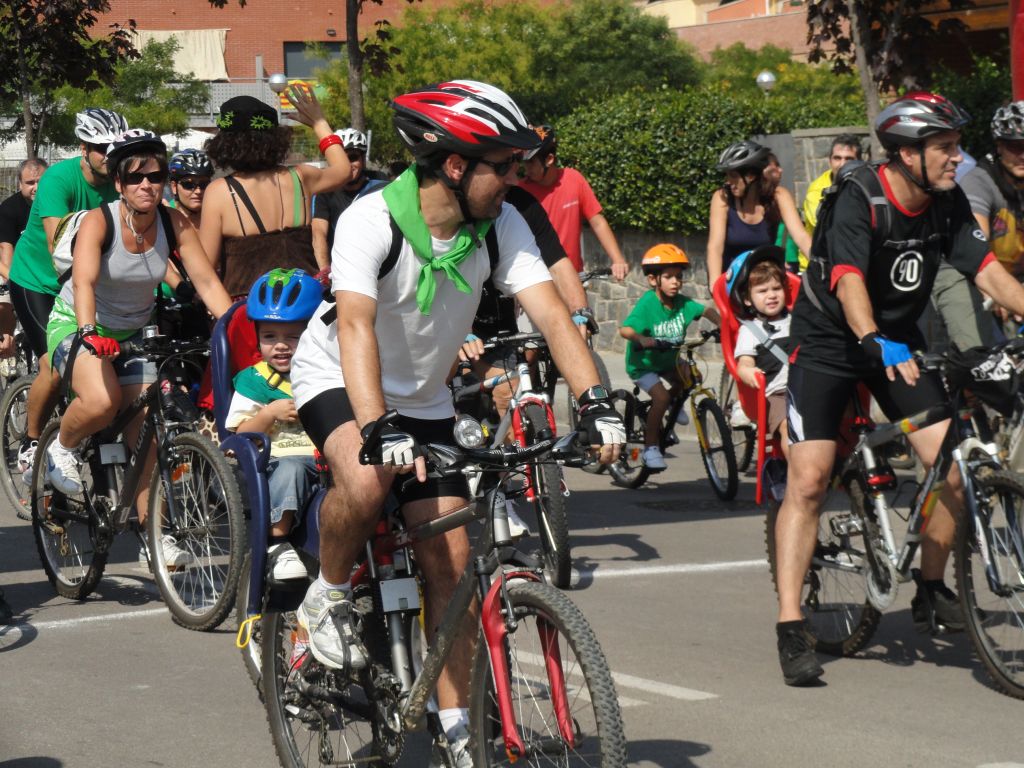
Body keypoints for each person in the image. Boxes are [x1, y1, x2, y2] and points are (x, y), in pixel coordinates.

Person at [289, 80, 625, 766]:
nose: (517, 176)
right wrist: (377, 422)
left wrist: (594, 402)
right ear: (453, 164)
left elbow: (553, 313)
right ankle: (324, 595)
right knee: (366, 478)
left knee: (453, 563)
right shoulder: (372, 218)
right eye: (502, 164)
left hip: (427, 399)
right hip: (339, 375)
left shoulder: (499, 224)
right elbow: (354, 324)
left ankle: (455, 729)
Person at [775, 91, 1024, 687]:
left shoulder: (948, 201)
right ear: (907, 154)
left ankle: (932, 587)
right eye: (945, 147)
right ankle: (790, 623)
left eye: (957, 146)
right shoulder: (861, 197)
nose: (955, 158)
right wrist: (871, 338)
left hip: (896, 340)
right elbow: (848, 277)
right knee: (809, 478)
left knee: (955, 471)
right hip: (834, 338)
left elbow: (986, 270)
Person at [42, 130, 233, 566]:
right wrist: (90, 331)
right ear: (119, 184)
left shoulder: (173, 222)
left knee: (147, 438)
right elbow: (84, 281)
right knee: (102, 401)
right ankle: (62, 447)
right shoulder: (99, 221)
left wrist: (232, 328)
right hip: (76, 323)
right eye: (135, 177)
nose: (147, 185)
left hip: (132, 332)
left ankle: (153, 534)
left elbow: (206, 282)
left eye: (156, 175)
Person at [10, 108, 128, 483]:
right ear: (83, 148)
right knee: (53, 365)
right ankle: (31, 442)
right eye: (100, 148)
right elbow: (56, 241)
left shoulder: (125, 179)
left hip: (89, 283)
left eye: (115, 148)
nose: (109, 155)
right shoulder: (57, 179)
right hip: (39, 280)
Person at [198, 85, 351, 299]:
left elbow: (205, 269)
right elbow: (344, 170)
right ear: (275, 140)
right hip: (304, 304)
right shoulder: (300, 177)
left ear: (225, 143)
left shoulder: (219, 192)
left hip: (250, 313)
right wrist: (319, 123)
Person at [225, 268, 321, 581]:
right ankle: (277, 544)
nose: (281, 345)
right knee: (292, 467)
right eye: (270, 337)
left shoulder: (326, 372)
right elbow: (240, 434)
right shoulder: (254, 381)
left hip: (322, 460)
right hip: (276, 461)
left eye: (293, 336)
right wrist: (270, 413)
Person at [619, 244, 718, 470]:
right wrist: (641, 339)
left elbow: (706, 311)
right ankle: (650, 448)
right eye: (669, 277)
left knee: (693, 377)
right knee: (661, 398)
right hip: (643, 365)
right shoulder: (648, 303)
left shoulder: (682, 303)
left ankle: (673, 405)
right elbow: (625, 330)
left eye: (679, 277)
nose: (676, 282)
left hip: (668, 361)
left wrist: (723, 327)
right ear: (654, 280)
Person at [518, 124, 629, 281]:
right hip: (538, 280)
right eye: (524, 162)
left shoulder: (574, 179)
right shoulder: (519, 191)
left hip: (574, 277)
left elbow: (597, 222)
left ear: (549, 159)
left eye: (531, 162)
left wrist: (618, 259)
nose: (526, 168)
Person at [706, 140, 811, 287]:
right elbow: (715, 247)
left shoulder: (778, 196)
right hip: (732, 282)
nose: (728, 181)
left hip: (764, 282)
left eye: (733, 175)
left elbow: (801, 237)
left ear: (751, 176)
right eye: (727, 175)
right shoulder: (722, 198)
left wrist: (823, 268)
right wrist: (715, 286)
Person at [729, 246, 792, 459]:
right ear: (747, 299)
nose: (772, 295)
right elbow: (743, 364)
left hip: (804, 388)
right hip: (776, 394)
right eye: (763, 291)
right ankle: (798, 475)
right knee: (788, 428)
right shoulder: (751, 330)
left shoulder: (797, 321)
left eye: (776, 288)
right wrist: (750, 372)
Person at [311, 128, 387, 268]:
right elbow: (319, 233)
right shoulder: (325, 192)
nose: (347, 165)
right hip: (341, 266)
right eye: (341, 158)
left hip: (379, 264)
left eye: (352, 158)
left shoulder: (380, 184)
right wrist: (325, 271)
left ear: (363, 159)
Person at [0, 158, 47, 345]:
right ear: (20, 184)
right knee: (4, 302)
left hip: (46, 267)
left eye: (41, 182)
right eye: (30, 183)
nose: (36, 187)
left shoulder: (58, 204)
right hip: (13, 268)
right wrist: (15, 282)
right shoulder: (8, 209)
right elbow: (5, 248)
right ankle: (7, 345)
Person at [801, 134, 863, 241]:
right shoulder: (817, 190)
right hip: (819, 254)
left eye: (849, 159)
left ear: (859, 162)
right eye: (837, 158)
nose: (842, 164)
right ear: (830, 161)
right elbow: (826, 225)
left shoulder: (865, 183)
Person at [166, 149, 213, 230]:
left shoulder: (217, 214)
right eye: (188, 185)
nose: (198, 191)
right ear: (174, 187)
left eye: (204, 184)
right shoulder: (164, 217)